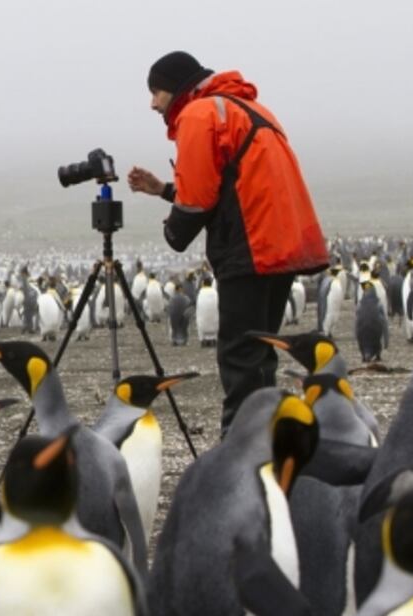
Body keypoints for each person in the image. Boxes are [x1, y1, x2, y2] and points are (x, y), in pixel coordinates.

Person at [128, 51, 329, 434]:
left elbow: (201, 198)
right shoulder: (247, 109)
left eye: (156, 91)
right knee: (258, 352)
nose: (153, 103)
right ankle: (266, 440)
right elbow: (230, 187)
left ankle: (241, 450)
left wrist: (175, 231)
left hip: (250, 248)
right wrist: (164, 190)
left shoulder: (201, 114)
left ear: (177, 86)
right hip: (277, 247)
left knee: (240, 355)